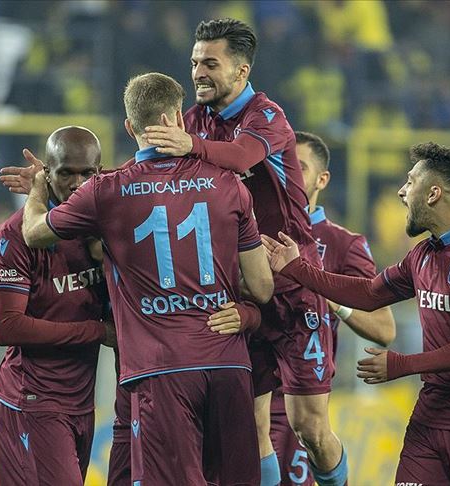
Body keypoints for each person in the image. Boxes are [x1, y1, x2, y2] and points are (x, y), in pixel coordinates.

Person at [22, 72, 274, 485]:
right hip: (228, 363)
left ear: (129, 127)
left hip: (162, 370)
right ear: (178, 118)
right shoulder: (229, 184)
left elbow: (34, 233)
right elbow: (262, 288)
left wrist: (38, 188)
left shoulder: (106, 192)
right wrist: (241, 311)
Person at [143, 19, 347, 485]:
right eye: (195, 62)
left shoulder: (266, 116)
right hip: (241, 290)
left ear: (241, 71)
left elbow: (239, 157)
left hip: (293, 286)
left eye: (210, 64)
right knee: (250, 428)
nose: (198, 72)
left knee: (309, 427)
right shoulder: (194, 120)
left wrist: (189, 145)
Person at [263, 142, 450, 485]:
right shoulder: (423, 254)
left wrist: (402, 365)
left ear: (433, 193)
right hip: (430, 420)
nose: (402, 192)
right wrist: (298, 269)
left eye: (410, 182)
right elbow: (369, 294)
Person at [0, 126, 115, 486]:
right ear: (47, 174)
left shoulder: (103, 228)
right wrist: (97, 331)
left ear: (100, 172)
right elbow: (7, 326)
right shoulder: (14, 236)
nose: (77, 184)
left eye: (86, 173)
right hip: (32, 401)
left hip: (81, 402)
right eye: (65, 173)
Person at [271, 132, 397, 485]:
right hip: (248, 386)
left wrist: (329, 296)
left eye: (300, 167)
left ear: (322, 180)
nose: (289, 173)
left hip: (301, 393)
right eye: (282, 164)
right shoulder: (249, 229)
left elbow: (384, 328)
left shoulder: (343, 244)